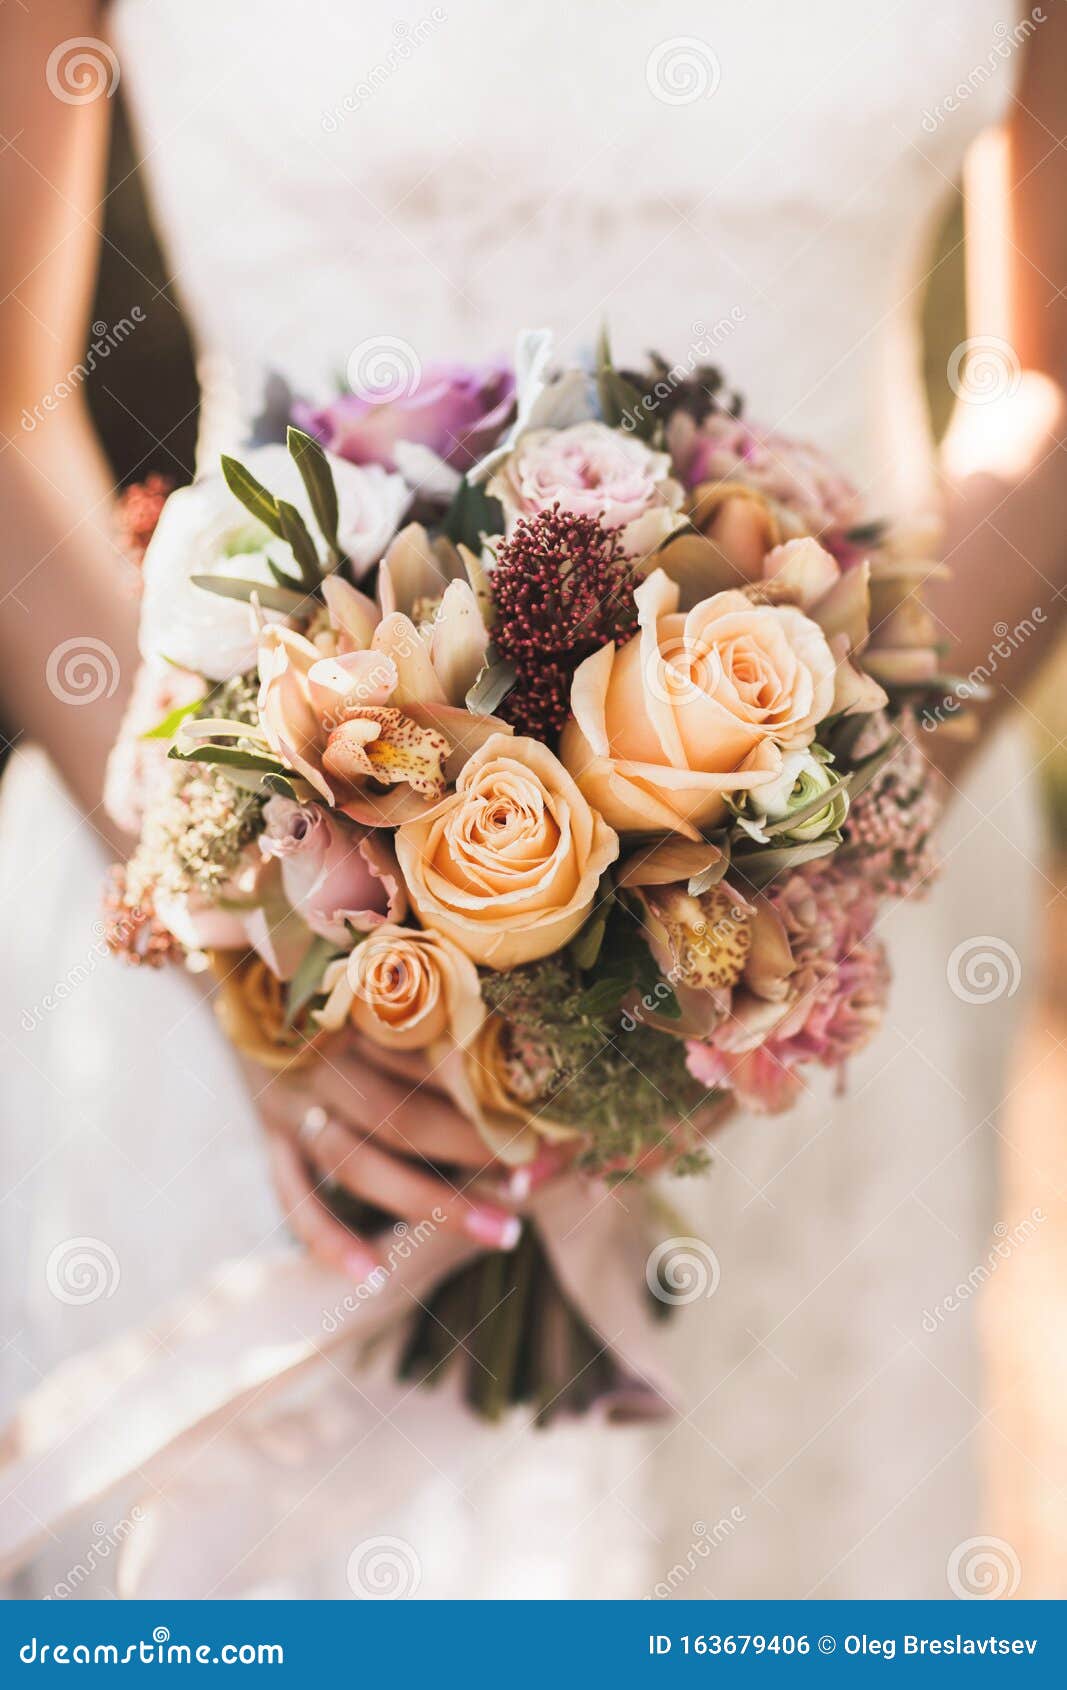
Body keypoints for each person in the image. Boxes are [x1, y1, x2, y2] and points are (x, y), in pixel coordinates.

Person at [1, 0, 1064, 1598]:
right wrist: (241, 923)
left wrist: (806, 842)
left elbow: (1049, 394)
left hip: (836, 927)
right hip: (250, 922)